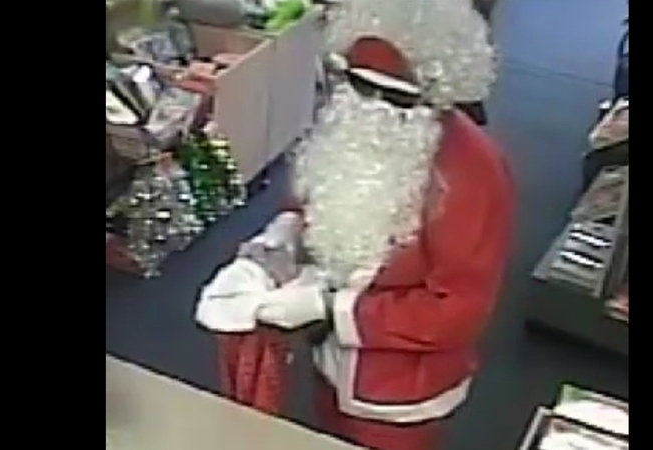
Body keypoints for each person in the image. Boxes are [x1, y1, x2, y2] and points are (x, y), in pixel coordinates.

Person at [197, 0, 515, 449]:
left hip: (402, 392)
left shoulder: (473, 173)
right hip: (330, 361)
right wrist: (276, 243)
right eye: (358, 84)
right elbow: (319, 197)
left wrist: (330, 309)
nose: (373, 105)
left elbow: (459, 308)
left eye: (394, 95)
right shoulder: (349, 122)